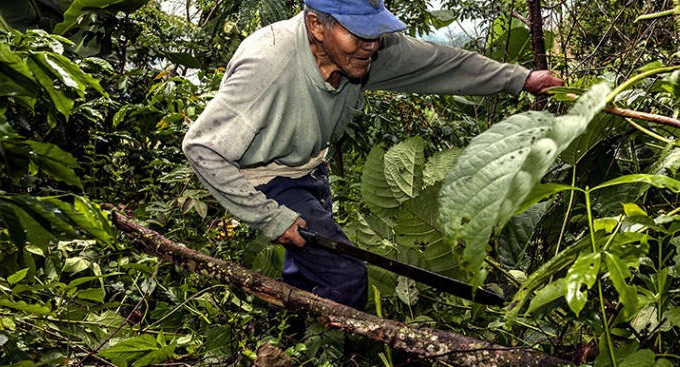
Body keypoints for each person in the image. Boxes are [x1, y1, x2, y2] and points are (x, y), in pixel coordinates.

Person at [182, 0, 563, 310]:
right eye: (360, 34)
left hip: (309, 169)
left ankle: (285, 335)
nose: (371, 45)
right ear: (316, 25)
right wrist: (270, 217)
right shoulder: (269, 67)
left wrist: (522, 79)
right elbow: (201, 147)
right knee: (345, 276)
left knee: (308, 269)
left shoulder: (359, 53)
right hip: (266, 179)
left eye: (376, 33)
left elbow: (439, 63)